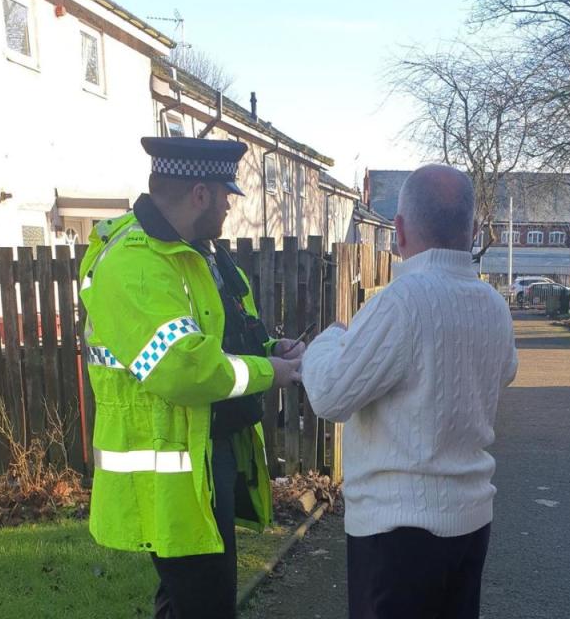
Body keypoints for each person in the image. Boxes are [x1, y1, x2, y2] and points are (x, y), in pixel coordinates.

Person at [78, 137, 304, 619]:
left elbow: (219, 340)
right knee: (205, 603)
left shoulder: (195, 253)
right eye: (226, 195)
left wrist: (269, 350)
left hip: (197, 454)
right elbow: (182, 366)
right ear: (200, 194)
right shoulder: (136, 264)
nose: (229, 206)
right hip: (169, 469)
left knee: (188, 600)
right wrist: (273, 373)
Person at [302, 164, 518, 619]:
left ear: (398, 230)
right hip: (471, 521)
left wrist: (328, 339)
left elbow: (329, 394)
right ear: (474, 229)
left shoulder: (401, 302)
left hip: (397, 534)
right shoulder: (494, 306)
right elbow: (506, 371)